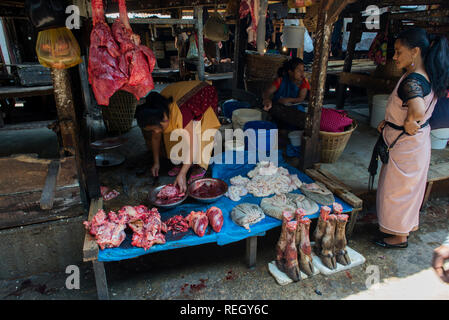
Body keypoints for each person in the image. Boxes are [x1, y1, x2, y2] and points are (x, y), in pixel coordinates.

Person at [374, 28, 449, 248]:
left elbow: (416, 109)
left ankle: (398, 237)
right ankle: (400, 229)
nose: (395, 57)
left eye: (398, 51)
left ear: (415, 51)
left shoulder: (413, 80)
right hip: (415, 144)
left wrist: (408, 123)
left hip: (406, 145)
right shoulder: (426, 74)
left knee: (396, 191)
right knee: (406, 190)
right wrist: (392, 121)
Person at [136, 81, 221, 193]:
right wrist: (156, 162)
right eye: (152, 130)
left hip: (202, 95)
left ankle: (199, 166)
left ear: (164, 119)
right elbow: (155, 137)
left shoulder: (181, 113)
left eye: (155, 128)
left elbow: (192, 144)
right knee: (172, 134)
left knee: (199, 133)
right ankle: (183, 161)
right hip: (178, 96)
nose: (155, 131)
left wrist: (182, 174)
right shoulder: (157, 113)